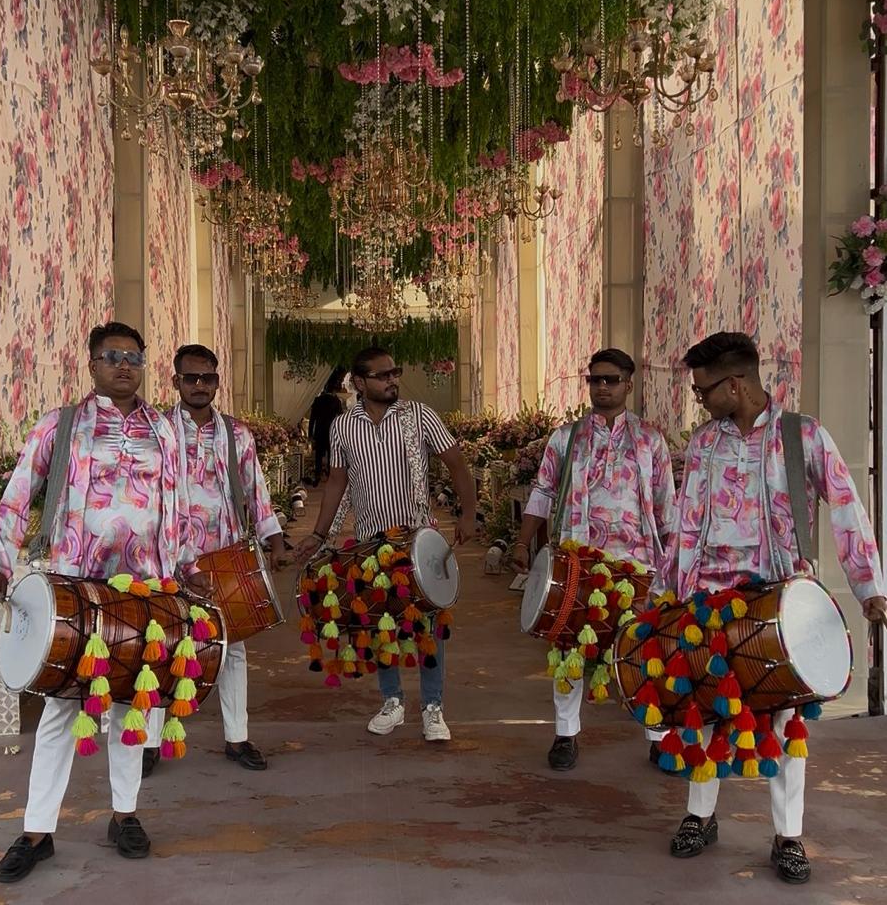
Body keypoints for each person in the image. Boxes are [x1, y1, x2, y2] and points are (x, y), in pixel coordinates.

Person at [663, 332, 887, 884]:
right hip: (712, 599)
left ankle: (788, 836)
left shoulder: (802, 434)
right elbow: (686, 523)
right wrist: (667, 598)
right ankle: (699, 817)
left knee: (786, 719)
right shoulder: (704, 442)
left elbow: (847, 507)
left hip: (782, 598)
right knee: (707, 707)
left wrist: (869, 587)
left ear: (735, 384)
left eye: (704, 390)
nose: (699, 400)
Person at [0, 321, 187, 882]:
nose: (124, 365)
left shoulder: (164, 430)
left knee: (130, 704)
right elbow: (18, 493)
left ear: (143, 367)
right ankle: (37, 831)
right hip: (77, 589)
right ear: (92, 365)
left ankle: (125, 815)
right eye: (112, 356)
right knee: (61, 708)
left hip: (144, 590)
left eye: (133, 357)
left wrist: (184, 573)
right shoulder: (63, 424)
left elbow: (178, 505)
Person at [294, 347, 477, 742]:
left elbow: (457, 463)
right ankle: (392, 700)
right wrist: (319, 534)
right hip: (370, 545)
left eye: (395, 372)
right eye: (383, 375)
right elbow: (337, 483)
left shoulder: (419, 416)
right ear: (360, 383)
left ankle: (433, 708)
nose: (393, 380)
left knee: (429, 626)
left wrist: (468, 513)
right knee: (380, 623)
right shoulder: (343, 426)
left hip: (418, 540)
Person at [512, 347, 675, 771]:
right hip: (579, 562)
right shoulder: (567, 438)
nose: (602, 387)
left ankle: (658, 736)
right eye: (595, 380)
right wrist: (522, 542)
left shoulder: (650, 440)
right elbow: (543, 490)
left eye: (611, 380)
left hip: (638, 564)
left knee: (644, 650)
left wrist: (675, 564)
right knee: (570, 648)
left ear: (629, 385)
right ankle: (565, 734)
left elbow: (666, 506)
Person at [143, 343, 288, 778]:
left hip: (224, 555)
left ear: (218, 382)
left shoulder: (235, 434)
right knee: (165, 643)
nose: (199, 385)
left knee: (232, 646)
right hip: (170, 555)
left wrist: (275, 539)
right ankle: (149, 742)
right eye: (191, 378)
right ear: (176, 381)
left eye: (207, 378)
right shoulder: (159, 430)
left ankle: (237, 738)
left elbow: (256, 489)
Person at [307, 367, 347, 484]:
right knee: (331, 455)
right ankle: (330, 476)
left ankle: (317, 475)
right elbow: (341, 418)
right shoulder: (336, 401)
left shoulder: (318, 400)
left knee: (318, 455)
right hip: (331, 431)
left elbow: (312, 419)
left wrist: (310, 434)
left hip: (319, 431)